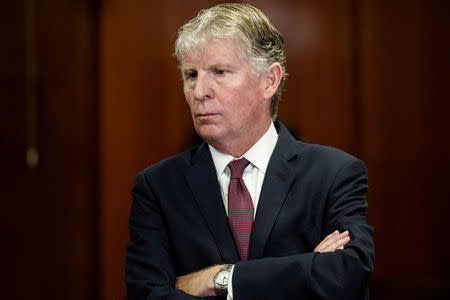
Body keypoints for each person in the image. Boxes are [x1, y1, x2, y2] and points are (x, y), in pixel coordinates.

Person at [125, 3, 374, 299]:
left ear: (269, 80)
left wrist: (219, 279)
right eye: (191, 74)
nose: (199, 91)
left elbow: (346, 275)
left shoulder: (333, 174)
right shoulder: (158, 187)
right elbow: (147, 295)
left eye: (219, 72)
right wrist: (305, 269)